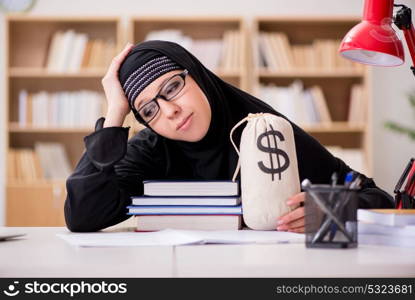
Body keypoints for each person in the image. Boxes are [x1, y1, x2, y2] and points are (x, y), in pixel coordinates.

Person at [64, 40, 394, 233]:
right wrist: (114, 114)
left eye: (172, 88)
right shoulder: (152, 148)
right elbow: (83, 215)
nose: (168, 112)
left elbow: (378, 198)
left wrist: (333, 210)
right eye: (148, 111)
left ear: (199, 76)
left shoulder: (266, 132)